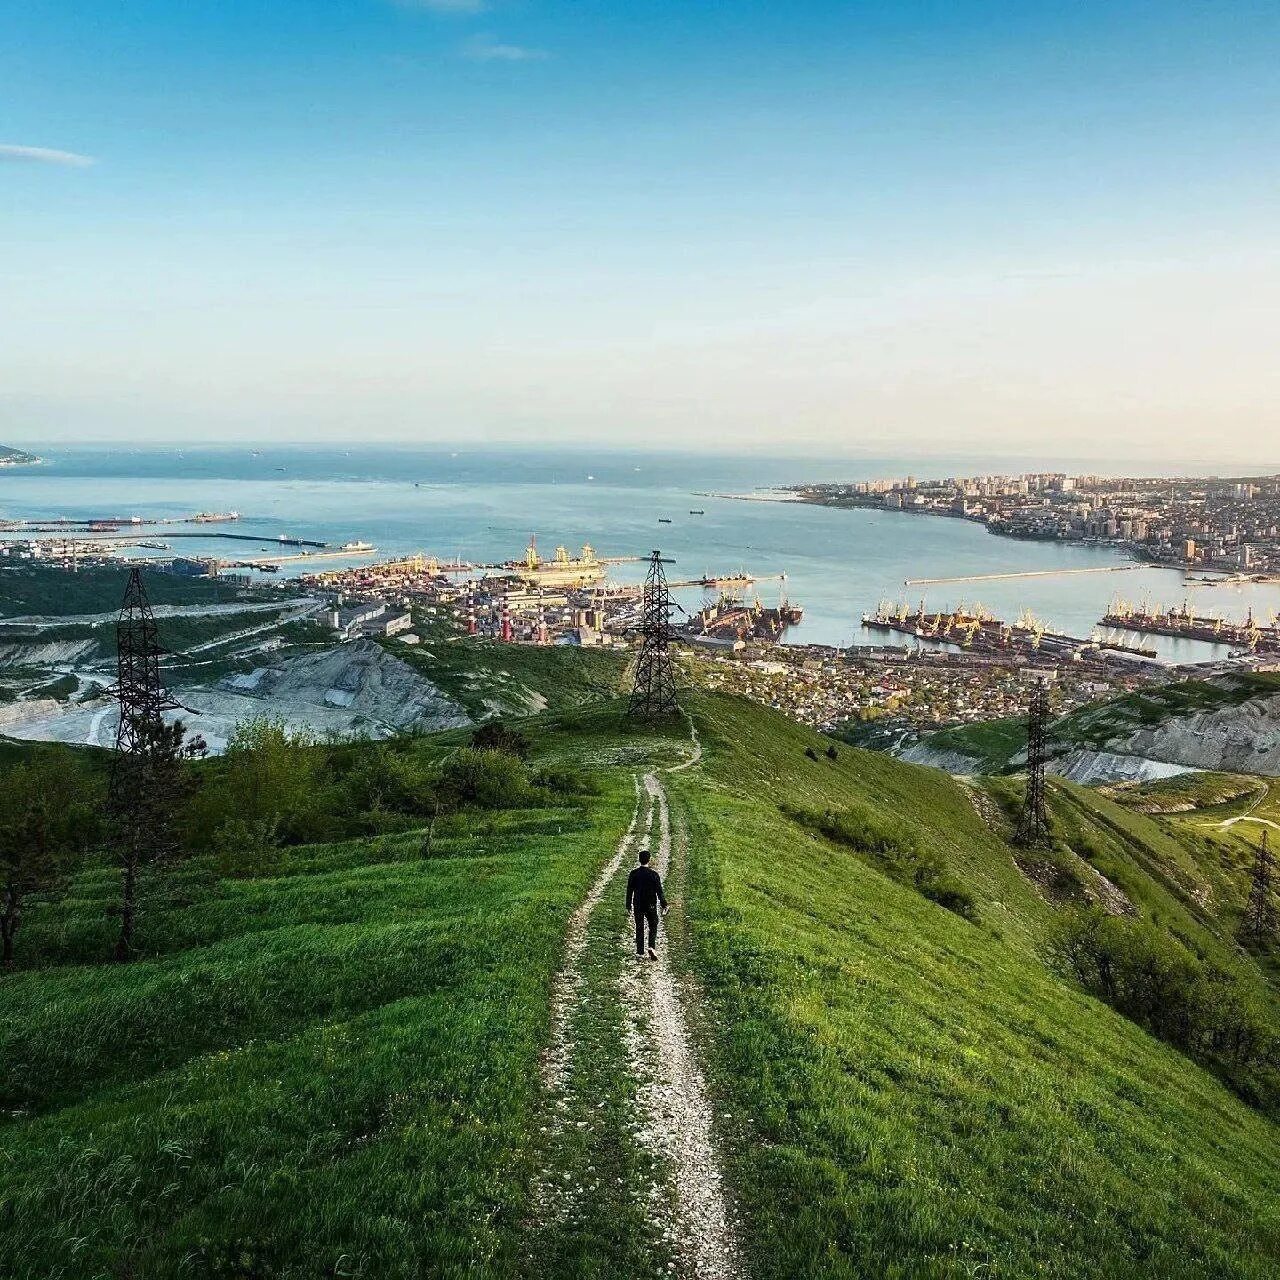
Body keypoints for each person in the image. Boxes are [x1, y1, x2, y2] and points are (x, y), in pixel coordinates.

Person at [625, 848, 667, 960]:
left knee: (639, 927)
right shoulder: (654, 875)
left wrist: (628, 905)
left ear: (639, 860)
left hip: (637, 904)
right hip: (650, 904)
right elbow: (659, 891)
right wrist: (664, 904)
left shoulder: (633, 874)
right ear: (649, 860)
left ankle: (639, 952)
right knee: (653, 924)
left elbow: (629, 890)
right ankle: (651, 947)